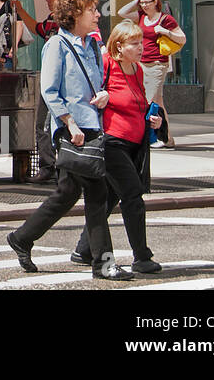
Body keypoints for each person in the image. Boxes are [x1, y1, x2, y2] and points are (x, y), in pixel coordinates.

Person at [6, 0, 134, 281]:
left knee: (67, 193)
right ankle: (102, 263)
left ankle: (22, 238)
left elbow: (96, 84)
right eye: (91, 9)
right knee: (97, 194)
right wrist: (70, 123)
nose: (97, 14)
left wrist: (104, 96)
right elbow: (49, 91)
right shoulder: (56, 45)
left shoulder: (91, 45)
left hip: (92, 126)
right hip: (72, 131)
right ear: (75, 13)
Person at [70, 20, 163, 273]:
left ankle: (83, 249)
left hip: (134, 145)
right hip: (112, 142)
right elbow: (88, 93)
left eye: (140, 42)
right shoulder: (106, 65)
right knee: (133, 196)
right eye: (134, 43)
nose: (140, 47)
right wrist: (104, 96)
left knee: (109, 199)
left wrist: (154, 119)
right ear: (119, 46)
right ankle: (142, 257)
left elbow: (139, 104)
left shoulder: (138, 70)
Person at [12, 0, 68, 181]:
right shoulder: (51, 21)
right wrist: (20, 9)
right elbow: (37, 28)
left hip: (63, 84)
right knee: (43, 125)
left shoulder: (69, 23)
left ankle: (57, 166)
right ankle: (50, 166)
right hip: (50, 82)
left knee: (52, 125)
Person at [117, 0, 185, 148]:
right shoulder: (141, 16)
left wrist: (165, 32)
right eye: (142, 3)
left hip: (157, 64)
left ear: (156, 2)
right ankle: (167, 138)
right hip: (141, 64)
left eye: (148, 2)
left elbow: (182, 39)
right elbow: (122, 12)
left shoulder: (165, 19)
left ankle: (147, 137)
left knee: (146, 101)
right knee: (158, 102)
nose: (145, 5)